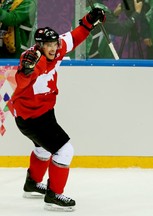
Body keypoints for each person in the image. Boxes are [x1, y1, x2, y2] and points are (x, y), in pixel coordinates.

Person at [10, 7, 106, 211]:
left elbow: (74, 36)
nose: (53, 48)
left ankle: (32, 184)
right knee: (64, 150)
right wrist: (26, 71)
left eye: (55, 44)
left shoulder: (58, 47)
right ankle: (54, 195)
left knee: (43, 147)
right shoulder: (32, 58)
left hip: (43, 111)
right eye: (48, 45)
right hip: (31, 116)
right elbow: (21, 80)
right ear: (39, 45)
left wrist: (89, 20)